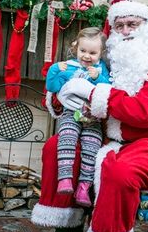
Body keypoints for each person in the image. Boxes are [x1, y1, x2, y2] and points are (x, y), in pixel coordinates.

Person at [31, 0, 148, 232]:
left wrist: (92, 93)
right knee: (55, 147)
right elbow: (72, 87)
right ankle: (66, 226)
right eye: (118, 25)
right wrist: (62, 96)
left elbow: (145, 113)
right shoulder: (107, 60)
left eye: (132, 24)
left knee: (118, 171)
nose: (124, 31)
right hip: (102, 134)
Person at [45, 27, 110, 207]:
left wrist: (98, 78)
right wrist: (54, 69)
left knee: (92, 144)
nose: (87, 56)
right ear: (76, 48)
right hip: (70, 114)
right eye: (83, 51)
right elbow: (52, 86)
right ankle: (64, 180)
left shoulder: (101, 70)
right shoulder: (68, 67)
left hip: (92, 118)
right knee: (67, 136)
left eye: (92, 52)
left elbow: (108, 90)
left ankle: (84, 186)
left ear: (101, 53)